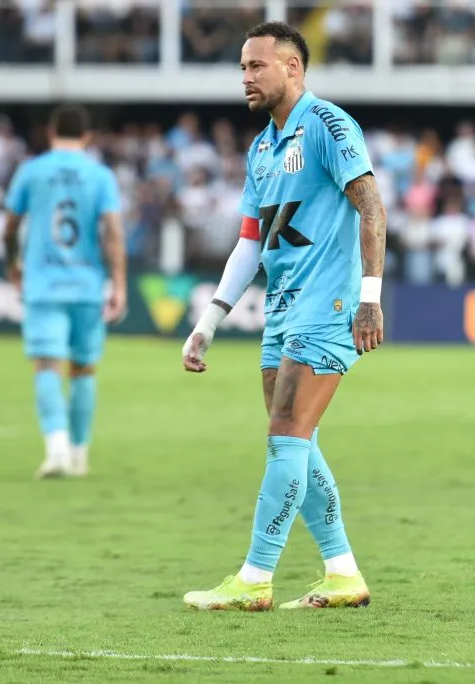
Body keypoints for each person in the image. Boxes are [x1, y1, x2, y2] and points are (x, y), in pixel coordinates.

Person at [180, 21, 388, 611]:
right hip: (281, 309)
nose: (246, 77)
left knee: (285, 438)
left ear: (292, 68)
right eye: (242, 68)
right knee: (298, 441)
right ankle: (343, 573)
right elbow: (251, 242)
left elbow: (371, 206)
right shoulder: (261, 147)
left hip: (330, 306)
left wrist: (370, 297)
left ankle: (255, 577)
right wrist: (210, 320)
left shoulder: (328, 125)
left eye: (256, 66)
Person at [2, 104, 127, 479]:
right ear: (87, 137)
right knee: (83, 369)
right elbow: (113, 233)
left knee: (46, 366)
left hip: (43, 284)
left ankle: (55, 449)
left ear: (51, 132)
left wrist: (13, 265)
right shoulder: (100, 175)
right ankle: (79, 454)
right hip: (87, 285)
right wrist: (119, 283)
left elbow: (9, 228)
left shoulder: (31, 171)